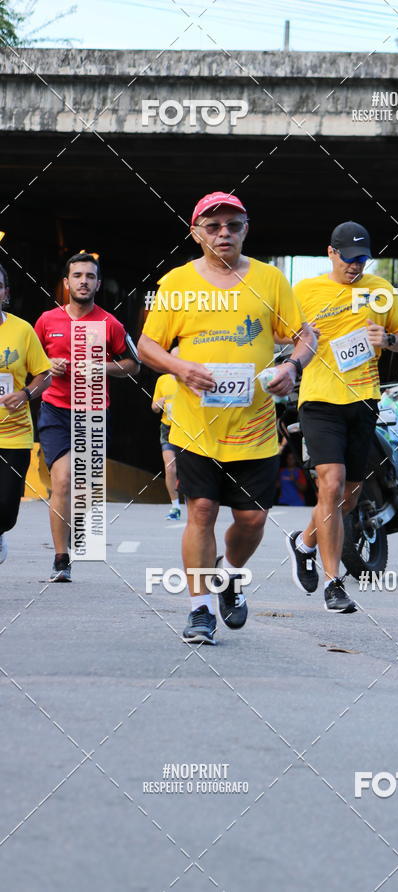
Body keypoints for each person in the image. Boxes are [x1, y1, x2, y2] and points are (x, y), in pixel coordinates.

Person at [138, 191, 315, 644]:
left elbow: (305, 335)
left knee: (253, 520)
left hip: (254, 428)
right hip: (196, 426)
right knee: (201, 510)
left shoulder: (271, 280)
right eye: (213, 226)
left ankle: (230, 575)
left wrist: (291, 367)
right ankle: (199, 609)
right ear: (196, 232)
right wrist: (180, 368)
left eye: (233, 226)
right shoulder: (177, 283)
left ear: (245, 230)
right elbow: (147, 347)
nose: (223, 234)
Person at [286, 221, 398, 612]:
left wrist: (388, 340)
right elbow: (279, 335)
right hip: (319, 400)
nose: (355, 266)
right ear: (331, 253)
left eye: (362, 259)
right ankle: (333, 583)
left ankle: (304, 542)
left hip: (363, 400)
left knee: (349, 496)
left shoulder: (380, 291)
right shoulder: (305, 292)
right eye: (348, 258)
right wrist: (302, 338)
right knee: (332, 482)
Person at [34, 253, 140, 582]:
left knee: (83, 487)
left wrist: (99, 367)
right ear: (66, 283)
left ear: (97, 283)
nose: (83, 281)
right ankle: (60, 558)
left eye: (90, 276)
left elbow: (132, 365)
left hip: (93, 410)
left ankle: (76, 535)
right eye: (77, 275)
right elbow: (30, 367)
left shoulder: (110, 324)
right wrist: (46, 367)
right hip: (54, 409)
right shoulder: (46, 321)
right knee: (63, 481)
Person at [0, 263, 52, 563]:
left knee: (6, 509)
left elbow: (44, 374)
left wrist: (25, 394)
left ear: (5, 292)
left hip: (15, 434)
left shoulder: (21, 330)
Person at [151, 349, 181, 520]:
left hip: (188, 428)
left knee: (190, 469)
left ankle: (194, 504)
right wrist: (159, 403)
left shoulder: (190, 379)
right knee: (170, 467)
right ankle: (175, 506)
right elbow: (154, 408)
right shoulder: (162, 380)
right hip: (168, 427)